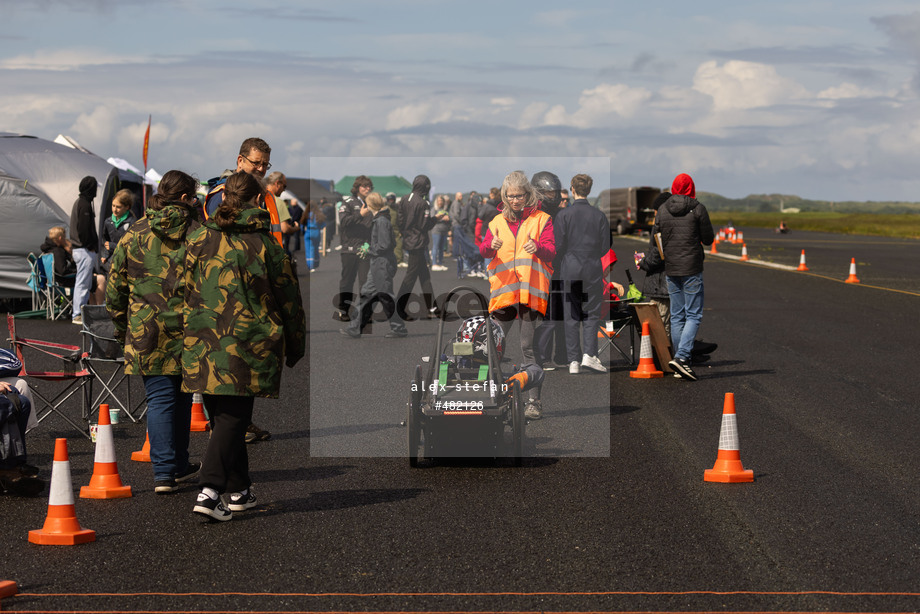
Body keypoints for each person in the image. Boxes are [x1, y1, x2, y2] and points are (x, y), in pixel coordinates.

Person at [183, 171, 305, 521]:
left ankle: (239, 491)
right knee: (232, 420)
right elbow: (290, 301)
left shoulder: (198, 238)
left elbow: (181, 290)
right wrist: (296, 346)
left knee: (225, 419)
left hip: (202, 341)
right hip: (248, 347)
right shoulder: (265, 244)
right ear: (256, 201)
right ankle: (209, 492)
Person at [106, 170, 202, 494]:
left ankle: (164, 474)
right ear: (187, 198)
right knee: (184, 398)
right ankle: (179, 463)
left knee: (160, 399)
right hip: (190, 329)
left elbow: (114, 287)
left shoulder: (135, 231)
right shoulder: (198, 232)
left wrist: (124, 329)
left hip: (146, 328)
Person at [479, 171, 555, 420]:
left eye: (519, 196)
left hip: (530, 296)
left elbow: (552, 251)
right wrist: (490, 247)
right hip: (503, 295)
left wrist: (539, 248)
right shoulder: (496, 221)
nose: (515, 201)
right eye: (510, 196)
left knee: (528, 349)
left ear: (528, 194)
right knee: (492, 349)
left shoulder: (543, 219)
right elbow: (483, 249)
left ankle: (535, 403)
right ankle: (491, 398)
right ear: (504, 195)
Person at [653, 173, 715, 381]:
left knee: (677, 316)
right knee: (694, 315)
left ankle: (681, 361)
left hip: (671, 269)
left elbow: (655, 240)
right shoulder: (698, 208)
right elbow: (708, 239)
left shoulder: (662, 209)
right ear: (691, 188)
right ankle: (682, 357)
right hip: (691, 268)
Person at [554, 174, 611, 374]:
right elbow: (606, 246)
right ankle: (590, 354)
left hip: (570, 266)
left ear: (572, 189)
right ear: (589, 189)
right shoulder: (599, 215)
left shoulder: (564, 215)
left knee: (571, 314)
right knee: (591, 313)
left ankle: (573, 361)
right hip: (592, 266)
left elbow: (558, 245)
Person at [340, 192, 408, 339]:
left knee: (385, 297)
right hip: (379, 262)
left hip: (381, 263)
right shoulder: (382, 218)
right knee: (367, 294)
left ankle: (399, 328)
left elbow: (384, 245)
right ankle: (355, 327)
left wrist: (368, 249)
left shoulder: (381, 221)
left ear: (370, 205)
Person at [203, 138, 295, 245]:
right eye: (255, 163)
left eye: (265, 164)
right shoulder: (223, 193)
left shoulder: (266, 195)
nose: (261, 169)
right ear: (240, 160)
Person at [530, 171, 567, 371]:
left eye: (554, 193)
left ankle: (562, 355)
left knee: (560, 315)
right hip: (542, 269)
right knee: (548, 317)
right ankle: (542, 357)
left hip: (560, 268)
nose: (553, 197)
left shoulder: (560, 213)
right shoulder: (534, 215)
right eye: (549, 193)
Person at [396, 175, 445, 320]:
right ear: (426, 187)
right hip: (418, 243)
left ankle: (432, 307)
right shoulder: (424, 203)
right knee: (411, 277)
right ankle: (398, 307)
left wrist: (406, 233)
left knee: (424, 276)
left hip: (408, 240)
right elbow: (425, 226)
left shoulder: (404, 199)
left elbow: (400, 221)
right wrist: (436, 218)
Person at [334, 175, 374, 321]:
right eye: (364, 186)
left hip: (365, 249)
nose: (367, 188)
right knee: (347, 281)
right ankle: (344, 310)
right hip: (349, 249)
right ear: (357, 188)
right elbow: (343, 222)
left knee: (365, 282)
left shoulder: (370, 203)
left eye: (369, 186)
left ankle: (364, 311)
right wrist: (360, 214)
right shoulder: (348, 202)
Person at [69, 175, 100, 325]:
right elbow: (83, 229)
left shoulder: (80, 202)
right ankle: (77, 314)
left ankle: (79, 312)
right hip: (83, 250)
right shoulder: (85, 204)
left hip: (80, 249)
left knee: (83, 282)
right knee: (83, 283)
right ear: (91, 189)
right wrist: (90, 245)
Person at [99, 189, 137, 276]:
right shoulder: (108, 222)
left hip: (127, 265)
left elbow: (133, 246)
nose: (115, 209)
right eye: (113, 206)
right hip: (110, 263)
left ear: (127, 207)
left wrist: (113, 246)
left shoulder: (133, 223)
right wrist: (105, 255)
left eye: (118, 207)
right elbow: (105, 241)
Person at [300, 200, 326, 272]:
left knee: (309, 249)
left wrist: (303, 231)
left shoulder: (306, 214)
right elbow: (323, 225)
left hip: (308, 232)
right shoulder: (318, 215)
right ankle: (316, 263)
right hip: (316, 232)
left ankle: (310, 265)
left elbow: (302, 224)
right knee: (315, 248)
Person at [430, 195, 450, 271]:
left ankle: (440, 263)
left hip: (444, 230)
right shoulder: (434, 209)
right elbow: (432, 218)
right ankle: (434, 263)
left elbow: (448, 218)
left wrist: (448, 219)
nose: (440, 202)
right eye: (439, 201)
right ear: (436, 202)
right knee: (435, 247)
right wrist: (442, 219)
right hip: (436, 230)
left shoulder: (445, 210)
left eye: (441, 201)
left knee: (442, 248)